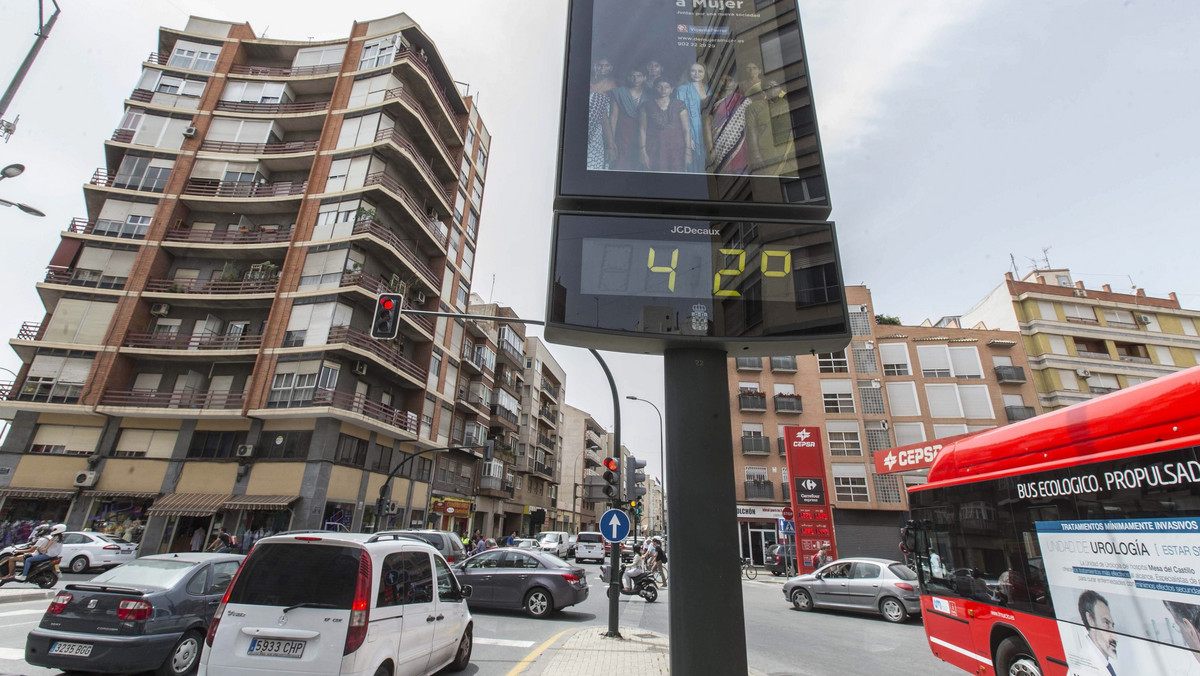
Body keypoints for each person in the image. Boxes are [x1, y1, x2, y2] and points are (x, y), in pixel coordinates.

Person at [745, 79, 798, 176]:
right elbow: (751, 132)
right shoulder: (754, 107)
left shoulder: (787, 104)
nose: (773, 89)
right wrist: (756, 155)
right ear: (764, 91)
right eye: (769, 87)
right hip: (767, 151)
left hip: (788, 150)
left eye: (775, 86)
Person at [640, 77, 691, 173]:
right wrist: (642, 151)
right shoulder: (646, 105)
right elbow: (642, 129)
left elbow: (686, 129)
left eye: (666, 87)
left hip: (676, 149)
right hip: (654, 148)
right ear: (654, 88)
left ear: (672, 89)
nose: (663, 90)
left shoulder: (679, 104)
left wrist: (688, 152)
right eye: (659, 87)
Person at [706, 75, 750, 174]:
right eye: (722, 80)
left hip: (740, 147)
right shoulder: (711, 103)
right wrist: (710, 148)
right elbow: (707, 125)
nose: (726, 83)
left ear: (735, 84)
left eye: (729, 80)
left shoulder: (743, 101)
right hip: (718, 150)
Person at [608, 67, 647, 170]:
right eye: (632, 76)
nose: (635, 79)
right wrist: (611, 141)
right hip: (624, 131)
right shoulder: (618, 92)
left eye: (639, 76)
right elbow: (613, 116)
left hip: (644, 131)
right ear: (627, 77)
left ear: (644, 78)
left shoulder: (650, 93)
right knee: (623, 159)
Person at [675, 62, 710, 173]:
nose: (696, 74)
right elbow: (678, 114)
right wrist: (689, 138)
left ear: (704, 73)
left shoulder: (708, 89)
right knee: (693, 162)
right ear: (689, 73)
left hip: (706, 129)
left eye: (700, 71)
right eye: (693, 71)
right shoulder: (682, 89)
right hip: (690, 129)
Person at [1074, 589, 1119, 675]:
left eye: (1112, 626)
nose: (1116, 638)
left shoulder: (1103, 662)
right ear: (1090, 619)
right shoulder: (1086, 666)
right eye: (1106, 623)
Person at [587, 56, 617, 170]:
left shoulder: (612, 85)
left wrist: (611, 144)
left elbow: (610, 116)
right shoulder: (588, 81)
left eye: (606, 65)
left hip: (599, 130)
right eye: (599, 65)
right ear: (594, 66)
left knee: (595, 161)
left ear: (611, 68)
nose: (602, 68)